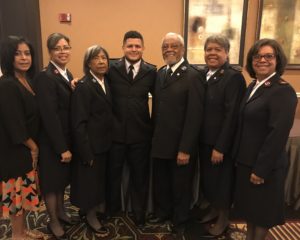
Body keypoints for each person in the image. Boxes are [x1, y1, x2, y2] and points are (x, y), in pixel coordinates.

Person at [233, 38, 297, 240]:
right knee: (251, 212)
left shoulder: (282, 90)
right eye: (257, 56)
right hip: (247, 163)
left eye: (268, 56)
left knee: (261, 216)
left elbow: (277, 135)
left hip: (264, 168)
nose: (262, 60)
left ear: (278, 60)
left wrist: (260, 170)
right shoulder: (255, 85)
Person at [148, 32, 204, 236]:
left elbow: (194, 116)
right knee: (162, 183)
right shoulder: (161, 73)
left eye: (174, 46)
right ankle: (163, 213)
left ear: (182, 49)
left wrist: (185, 149)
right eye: (165, 46)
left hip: (181, 145)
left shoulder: (193, 75)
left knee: (180, 187)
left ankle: (180, 220)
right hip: (161, 142)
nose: (169, 49)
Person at [197, 35, 246, 236]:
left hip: (220, 144)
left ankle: (224, 218)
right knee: (209, 180)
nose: (212, 53)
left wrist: (220, 147)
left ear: (227, 53)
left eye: (218, 49)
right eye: (209, 49)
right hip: (204, 140)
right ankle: (214, 209)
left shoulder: (233, 77)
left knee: (223, 182)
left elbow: (232, 116)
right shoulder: (203, 74)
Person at [106, 30, 156, 227]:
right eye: (130, 46)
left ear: (143, 48)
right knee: (112, 175)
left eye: (137, 46)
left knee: (139, 177)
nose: (134, 49)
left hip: (141, 134)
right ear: (123, 48)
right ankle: (111, 209)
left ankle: (139, 212)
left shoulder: (152, 72)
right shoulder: (111, 68)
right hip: (115, 134)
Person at [34, 33, 77, 239]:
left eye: (66, 47)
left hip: (64, 138)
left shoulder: (66, 74)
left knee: (61, 180)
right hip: (52, 141)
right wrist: (62, 147)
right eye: (58, 48)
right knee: (51, 183)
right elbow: (49, 116)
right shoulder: (45, 76)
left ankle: (61, 212)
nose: (63, 51)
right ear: (50, 51)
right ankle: (52, 220)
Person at [0, 36, 43, 239]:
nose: (24, 58)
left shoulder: (26, 80)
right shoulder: (7, 84)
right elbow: (14, 123)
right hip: (15, 150)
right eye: (18, 54)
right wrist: (33, 146)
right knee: (16, 196)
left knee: (25, 192)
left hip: (25, 149)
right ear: (8, 57)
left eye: (27, 53)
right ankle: (17, 235)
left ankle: (24, 230)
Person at [70, 45, 112, 236]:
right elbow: (78, 124)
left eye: (104, 58)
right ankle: (91, 217)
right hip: (90, 147)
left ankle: (91, 211)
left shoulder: (105, 81)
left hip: (104, 144)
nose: (102, 61)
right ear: (88, 63)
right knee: (90, 185)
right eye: (96, 58)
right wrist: (86, 152)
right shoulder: (84, 86)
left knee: (97, 183)